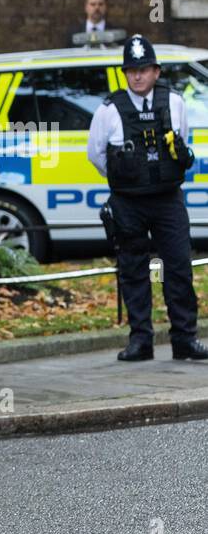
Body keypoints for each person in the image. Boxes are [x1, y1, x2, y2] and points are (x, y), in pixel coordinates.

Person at [86, 34, 208, 361]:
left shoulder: (175, 102)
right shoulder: (110, 110)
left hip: (168, 199)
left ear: (156, 71)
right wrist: (127, 179)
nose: (137, 76)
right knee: (134, 271)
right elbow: (96, 155)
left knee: (178, 268)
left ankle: (184, 339)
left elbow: (180, 144)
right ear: (124, 74)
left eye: (143, 69)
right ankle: (141, 341)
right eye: (131, 70)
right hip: (128, 203)